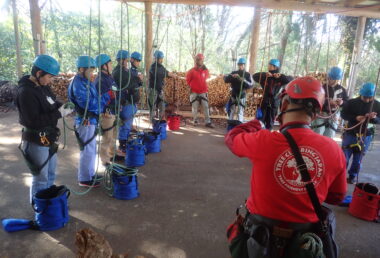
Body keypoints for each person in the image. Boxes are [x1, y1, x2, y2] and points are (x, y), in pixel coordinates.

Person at [225, 77, 346, 256]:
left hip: (258, 239)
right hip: (304, 244)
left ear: (284, 105)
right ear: (315, 114)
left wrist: (256, 124)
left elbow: (231, 138)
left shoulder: (263, 140)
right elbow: (337, 197)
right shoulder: (333, 149)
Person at [15, 55, 73, 201]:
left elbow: (52, 101)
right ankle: (39, 211)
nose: (51, 80)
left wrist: (63, 106)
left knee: (51, 174)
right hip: (36, 140)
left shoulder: (43, 86)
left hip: (48, 138)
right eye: (49, 77)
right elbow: (33, 121)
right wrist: (58, 114)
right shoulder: (25, 92)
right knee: (41, 178)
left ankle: (48, 205)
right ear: (39, 73)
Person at [68, 56, 111, 187]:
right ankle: (85, 179)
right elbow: (90, 104)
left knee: (91, 149)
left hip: (91, 120)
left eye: (93, 70)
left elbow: (96, 98)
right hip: (85, 120)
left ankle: (89, 174)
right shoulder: (78, 83)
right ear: (81, 69)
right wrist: (105, 97)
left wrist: (103, 97)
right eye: (90, 70)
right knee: (87, 149)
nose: (92, 73)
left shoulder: (86, 81)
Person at [341, 82, 380, 184]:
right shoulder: (351, 102)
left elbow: (379, 120)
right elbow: (343, 114)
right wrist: (355, 118)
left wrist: (374, 118)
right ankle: (339, 176)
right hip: (350, 133)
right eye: (365, 97)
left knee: (358, 160)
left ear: (373, 95)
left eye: (369, 97)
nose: (367, 99)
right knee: (344, 157)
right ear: (360, 94)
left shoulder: (377, 105)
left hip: (365, 136)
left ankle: (352, 176)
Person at [253, 59, 293, 130]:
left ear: (275, 67)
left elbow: (290, 79)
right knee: (260, 121)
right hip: (264, 102)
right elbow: (254, 76)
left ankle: (267, 136)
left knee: (270, 122)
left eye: (270, 65)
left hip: (274, 103)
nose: (268, 66)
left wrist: (280, 76)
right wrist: (265, 74)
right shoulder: (265, 77)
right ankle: (260, 135)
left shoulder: (280, 78)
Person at [312, 67, 348, 138]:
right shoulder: (322, 87)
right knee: (317, 133)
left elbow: (347, 103)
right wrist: (327, 102)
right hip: (321, 114)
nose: (330, 80)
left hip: (334, 116)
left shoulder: (342, 90)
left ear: (337, 79)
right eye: (329, 78)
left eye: (332, 79)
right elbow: (316, 100)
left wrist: (342, 103)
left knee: (329, 136)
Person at [94, 54, 118, 166]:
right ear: (103, 66)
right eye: (109, 63)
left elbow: (114, 91)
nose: (111, 65)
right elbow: (98, 100)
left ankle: (112, 154)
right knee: (107, 137)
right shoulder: (100, 80)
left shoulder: (109, 77)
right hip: (106, 113)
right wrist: (104, 111)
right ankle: (104, 160)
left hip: (113, 110)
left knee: (113, 135)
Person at [186, 53, 214, 128]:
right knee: (195, 107)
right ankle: (195, 120)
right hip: (194, 92)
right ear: (196, 60)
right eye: (199, 60)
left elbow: (207, 79)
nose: (200, 61)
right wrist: (194, 87)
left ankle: (208, 122)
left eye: (201, 60)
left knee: (205, 106)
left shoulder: (205, 70)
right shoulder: (191, 71)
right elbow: (188, 81)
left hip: (203, 91)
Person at [148, 50, 177, 121]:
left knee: (162, 106)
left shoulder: (161, 67)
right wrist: (171, 74)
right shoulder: (153, 67)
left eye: (162, 59)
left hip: (160, 90)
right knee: (152, 106)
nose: (161, 60)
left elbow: (166, 72)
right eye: (160, 59)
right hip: (153, 90)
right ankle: (152, 121)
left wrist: (173, 75)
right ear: (156, 59)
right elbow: (162, 73)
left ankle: (161, 121)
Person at [224, 57, 254, 122]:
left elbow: (251, 85)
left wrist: (240, 79)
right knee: (232, 110)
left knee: (240, 111)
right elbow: (226, 80)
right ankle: (230, 123)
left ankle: (240, 123)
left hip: (242, 94)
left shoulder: (247, 74)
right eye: (239, 65)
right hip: (234, 94)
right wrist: (231, 77)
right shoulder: (234, 72)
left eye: (242, 65)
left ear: (244, 65)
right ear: (238, 65)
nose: (240, 66)